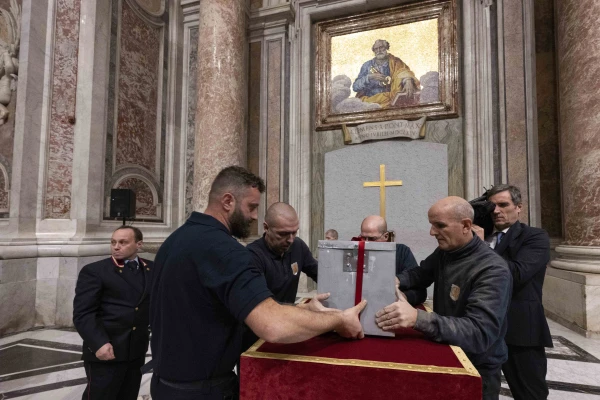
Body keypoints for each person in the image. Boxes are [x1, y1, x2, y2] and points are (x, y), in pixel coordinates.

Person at [149, 166, 366, 400]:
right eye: (251, 207)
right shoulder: (227, 251)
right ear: (228, 201)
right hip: (203, 389)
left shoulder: (175, 239)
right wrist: (338, 319)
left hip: (164, 382)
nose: (254, 216)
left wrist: (300, 309)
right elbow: (273, 325)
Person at [375, 197, 512, 400]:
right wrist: (396, 280)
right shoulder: (446, 252)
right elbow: (419, 274)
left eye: (439, 225)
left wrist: (417, 318)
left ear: (466, 225)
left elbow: (479, 333)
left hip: (477, 369)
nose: (432, 232)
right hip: (448, 352)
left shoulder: (492, 269)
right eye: (431, 225)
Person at [474, 185, 552, 400]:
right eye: (492, 206)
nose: (496, 210)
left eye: (503, 205)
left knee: (529, 391)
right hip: (482, 327)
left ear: (519, 208)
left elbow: (516, 274)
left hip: (520, 328)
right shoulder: (481, 235)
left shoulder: (535, 237)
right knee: (482, 390)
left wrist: (480, 248)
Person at [73, 226, 153, 400]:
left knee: (128, 395)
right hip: (107, 349)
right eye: (113, 242)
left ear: (138, 244)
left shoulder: (151, 269)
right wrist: (98, 343)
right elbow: (83, 313)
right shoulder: (95, 271)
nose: (116, 246)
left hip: (135, 350)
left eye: (123, 242)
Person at [247, 202, 318, 305]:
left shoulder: (298, 246)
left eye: (294, 232)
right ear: (266, 228)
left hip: (290, 316)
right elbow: (261, 304)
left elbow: (319, 274)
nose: (290, 240)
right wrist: (301, 309)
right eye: (283, 234)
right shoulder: (252, 256)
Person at [359, 215, 426, 306]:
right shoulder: (355, 253)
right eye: (363, 238)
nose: (366, 243)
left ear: (386, 236)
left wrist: (403, 297)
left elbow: (420, 291)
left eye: (372, 239)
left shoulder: (401, 252)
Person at [352, 39, 420, 108]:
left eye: (381, 47)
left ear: (386, 48)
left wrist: (408, 80)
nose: (378, 50)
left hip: (392, 99)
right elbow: (355, 87)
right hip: (371, 101)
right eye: (376, 49)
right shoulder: (367, 65)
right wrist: (369, 77)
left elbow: (403, 71)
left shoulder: (395, 61)